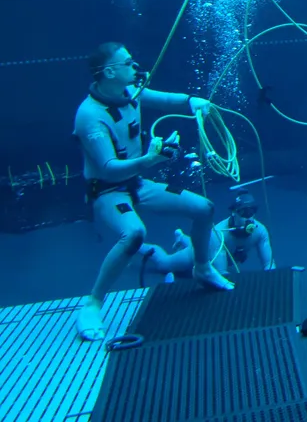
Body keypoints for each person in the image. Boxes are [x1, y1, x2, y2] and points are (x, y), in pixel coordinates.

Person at [72, 42, 235, 342]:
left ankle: (202, 268)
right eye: (129, 63)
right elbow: (108, 168)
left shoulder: (130, 94)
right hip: (108, 192)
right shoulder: (90, 115)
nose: (136, 67)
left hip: (137, 185)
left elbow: (166, 100)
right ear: (109, 71)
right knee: (134, 233)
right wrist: (150, 159)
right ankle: (93, 303)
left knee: (204, 208)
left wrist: (192, 102)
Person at [139, 189, 276, 279]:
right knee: (164, 264)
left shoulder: (260, 231)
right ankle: (139, 245)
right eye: (244, 212)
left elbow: (269, 265)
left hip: (211, 246)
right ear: (233, 212)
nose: (249, 217)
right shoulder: (219, 234)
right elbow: (222, 274)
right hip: (200, 253)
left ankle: (182, 238)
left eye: (252, 212)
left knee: (197, 242)